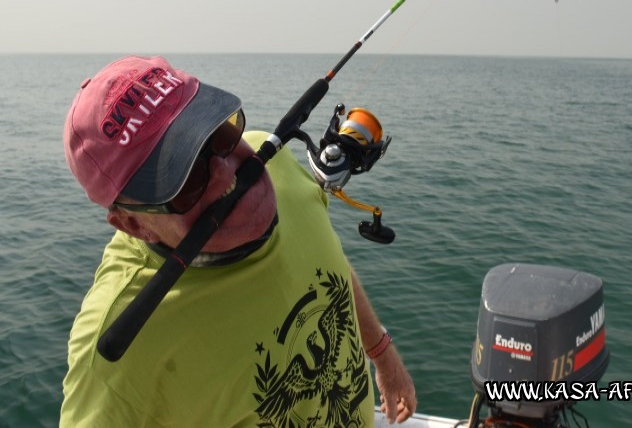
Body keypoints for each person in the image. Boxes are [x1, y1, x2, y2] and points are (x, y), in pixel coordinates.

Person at [60, 55, 416, 427]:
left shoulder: (271, 157)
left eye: (218, 134)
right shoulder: (117, 360)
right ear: (134, 225)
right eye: (181, 178)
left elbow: (326, 260)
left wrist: (381, 353)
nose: (223, 169)